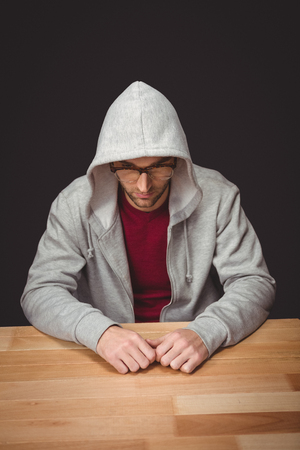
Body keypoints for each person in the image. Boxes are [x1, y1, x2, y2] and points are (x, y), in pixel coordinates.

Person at [21, 81, 276, 374]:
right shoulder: (73, 204)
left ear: (178, 162)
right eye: (128, 169)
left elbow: (255, 282)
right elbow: (40, 290)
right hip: (107, 355)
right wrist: (100, 333)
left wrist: (207, 332)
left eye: (158, 167)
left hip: (195, 353)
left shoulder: (219, 196)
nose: (143, 185)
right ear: (109, 164)